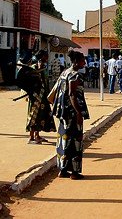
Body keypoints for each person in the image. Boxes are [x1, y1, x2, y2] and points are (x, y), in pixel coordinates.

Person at [51, 50, 89, 180]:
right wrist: (78, 112)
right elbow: (72, 94)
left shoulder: (64, 73)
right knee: (75, 140)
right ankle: (74, 172)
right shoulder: (75, 75)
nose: (84, 62)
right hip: (72, 113)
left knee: (63, 140)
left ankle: (62, 170)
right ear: (77, 62)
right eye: (83, 60)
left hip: (63, 112)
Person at [26, 50, 56, 144]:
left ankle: (37, 135)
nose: (47, 58)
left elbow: (45, 82)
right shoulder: (34, 67)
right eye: (46, 56)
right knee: (34, 116)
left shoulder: (43, 67)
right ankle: (31, 138)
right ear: (42, 57)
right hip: (36, 96)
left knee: (41, 116)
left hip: (43, 96)